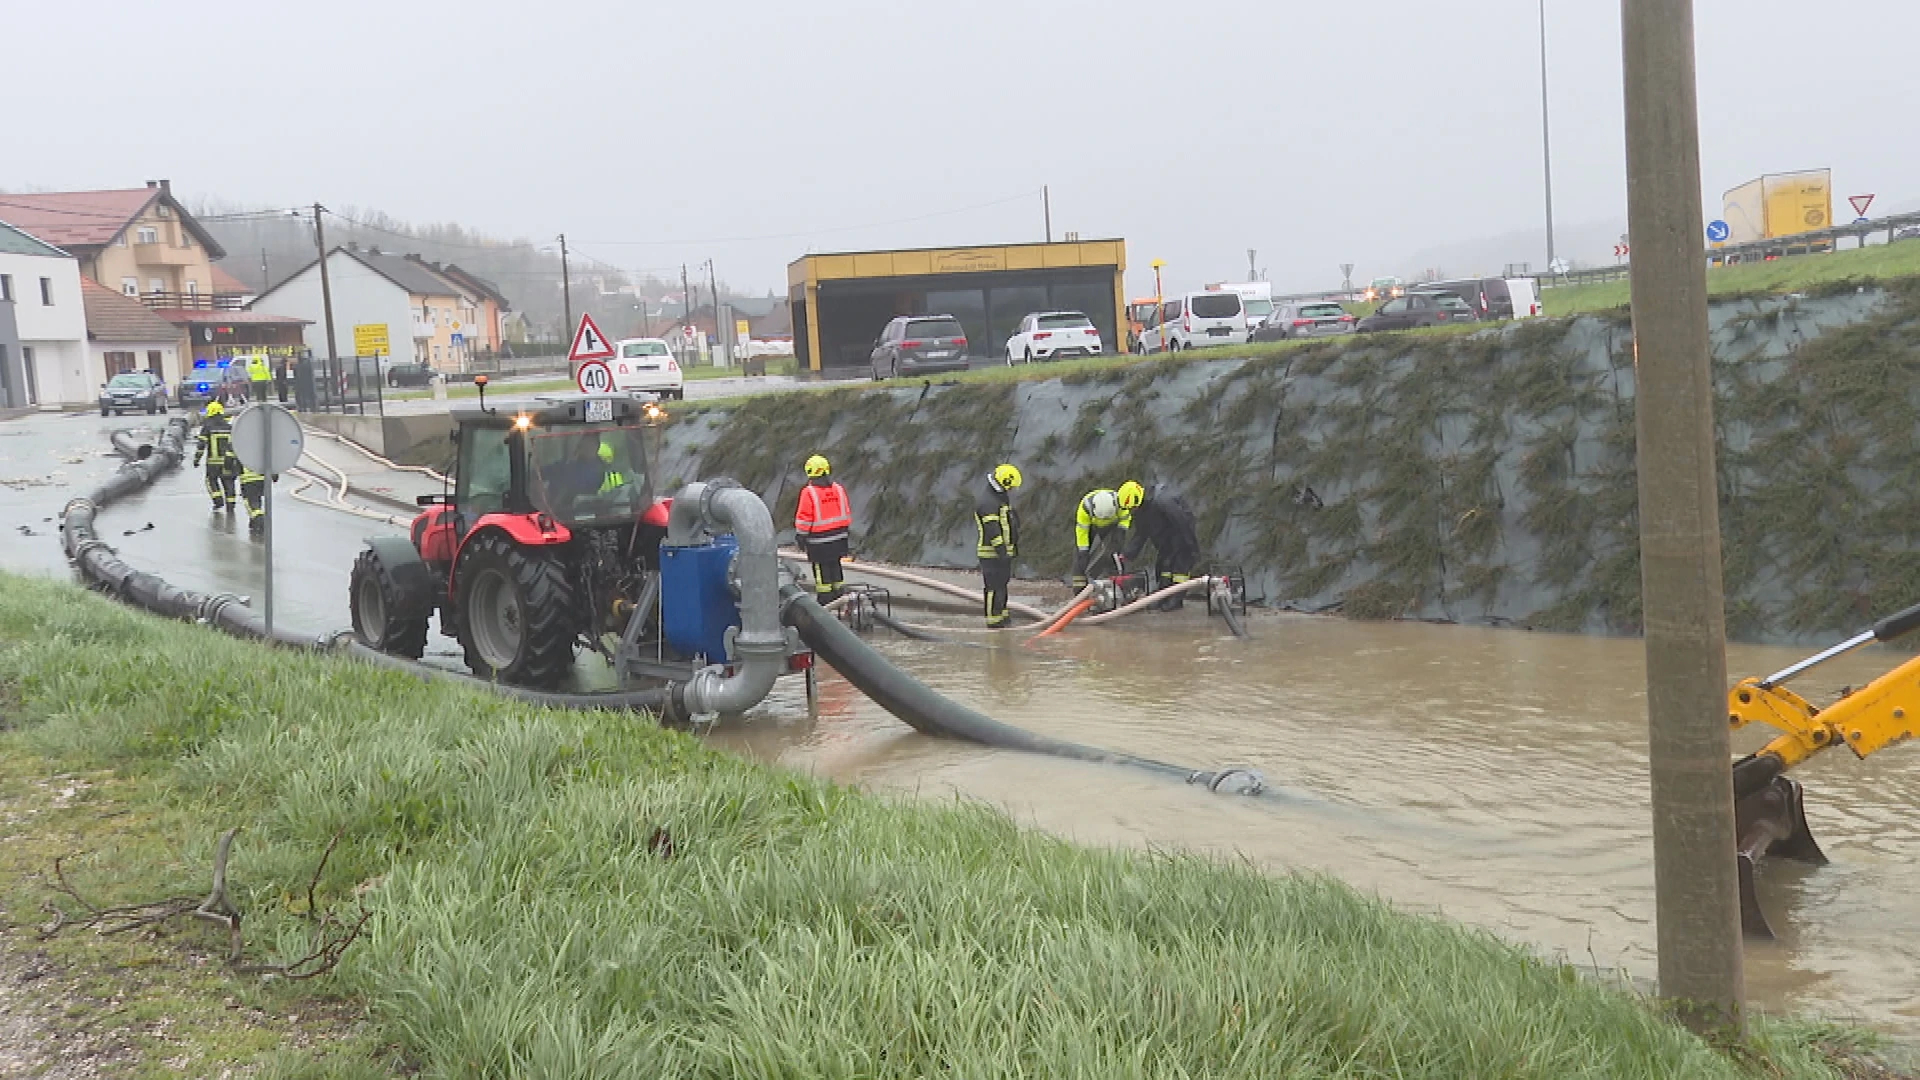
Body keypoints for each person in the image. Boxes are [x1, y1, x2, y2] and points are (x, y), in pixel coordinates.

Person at [1118, 481, 1202, 610]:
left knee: (1180, 568)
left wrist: (1191, 546)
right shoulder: (1141, 509)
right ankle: (1163, 596)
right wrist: (1128, 554)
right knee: (1165, 567)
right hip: (1165, 537)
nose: (1131, 511)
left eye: (1131, 508)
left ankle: (1176, 600)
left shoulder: (1163, 502)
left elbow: (1182, 522)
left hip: (1181, 534)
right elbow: (1141, 533)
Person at [794, 454, 852, 602]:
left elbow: (805, 517)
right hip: (839, 538)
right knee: (835, 565)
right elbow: (846, 512)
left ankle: (825, 599)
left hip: (819, 541)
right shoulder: (838, 489)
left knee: (821, 570)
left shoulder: (809, 492)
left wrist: (801, 536)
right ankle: (840, 595)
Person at [974, 463, 1022, 628]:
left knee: (1002, 585)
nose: (1012, 491)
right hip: (991, 554)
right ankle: (993, 621)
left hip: (1001, 554)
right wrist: (1002, 553)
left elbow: (1008, 526)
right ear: (1004, 482)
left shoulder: (998, 499)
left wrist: (1011, 549)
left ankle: (1002, 615)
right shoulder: (988, 503)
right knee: (993, 588)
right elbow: (993, 532)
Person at [1069, 487, 1133, 589]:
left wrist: (1121, 532)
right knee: (1080, 557)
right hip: (1092, 526)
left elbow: (1125, 518)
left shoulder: (1120, 502)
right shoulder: (1085, 508)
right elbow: (1082, 531)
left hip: (1113, 525)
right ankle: (1079, 589)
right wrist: (1083, 551)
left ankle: (1119, 583)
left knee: (1115, 553)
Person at [191, 401, 237, 512]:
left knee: (211, 480)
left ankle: (218, 500)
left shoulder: (207, 427)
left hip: (213, 462)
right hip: (229, 461)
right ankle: (231, 505)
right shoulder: (229, 427)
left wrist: (196, 459)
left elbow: (201, 445)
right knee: (229, 481)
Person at [238, 462, 267, 535]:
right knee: (257, 500)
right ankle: (254, 521)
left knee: (250, 504)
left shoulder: (242, 452)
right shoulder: (259, 450)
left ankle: (260, 520)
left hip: (247, 481)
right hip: (261, 480)